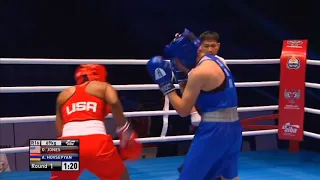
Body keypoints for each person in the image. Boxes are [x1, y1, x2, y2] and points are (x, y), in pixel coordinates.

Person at [147, 29, 242, 180]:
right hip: (234, 128)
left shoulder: (199, 73)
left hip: (214, 130)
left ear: (184, 55)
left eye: (175, 59)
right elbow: (203, 94)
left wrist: (166, 86)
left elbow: (184, 110)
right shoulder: (218, 61)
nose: (174, 64)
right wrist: (183, 77)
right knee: (228, 176)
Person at [51, 64, 142, 180]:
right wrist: (125, 130)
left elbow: (60, 128)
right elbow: (114, 103)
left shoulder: (63, 95)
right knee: (122, 177)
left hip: (65, 142)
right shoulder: (103, 87)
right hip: (96, 141)